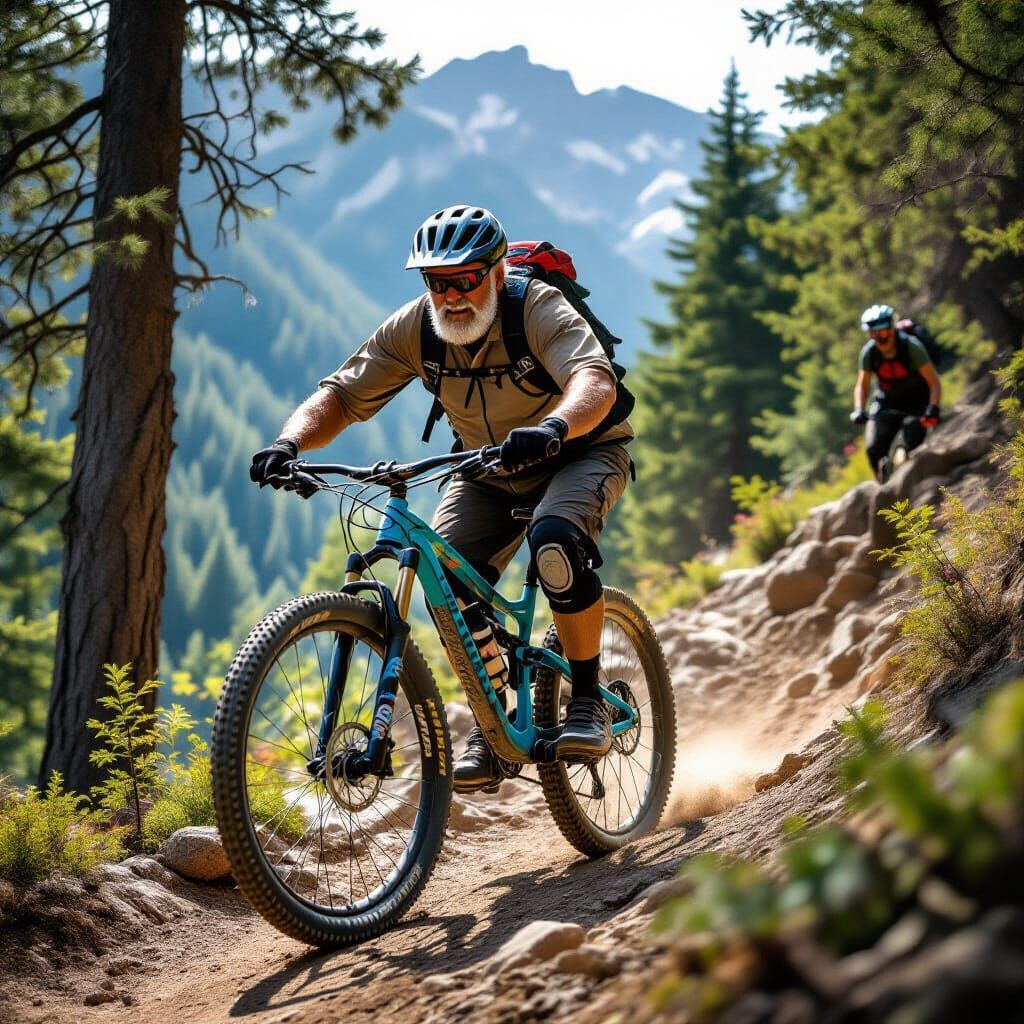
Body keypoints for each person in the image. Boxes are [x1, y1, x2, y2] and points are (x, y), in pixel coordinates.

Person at [249, 205, 633, 792]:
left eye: (465, 279)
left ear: (498, 272)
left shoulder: (536, 308)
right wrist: (289, 440)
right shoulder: (417, 328)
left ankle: (586, 701)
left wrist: (554, 426)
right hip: (486, 466)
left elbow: (594, 380)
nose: (450, 296)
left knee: (554, 546)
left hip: (580, 451)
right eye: (435, 282)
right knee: (445, 584)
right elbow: (342, 394)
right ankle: (495, 724)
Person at [850, 304, 942, 482]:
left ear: (891, 328)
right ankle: (884, 489)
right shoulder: (869, 353)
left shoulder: (912, 347)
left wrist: (933, 407)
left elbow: (934, 383)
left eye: (882, 332)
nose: (878, 338)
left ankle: (909, 488)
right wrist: (859, 409)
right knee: (873, 450)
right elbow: (862, 385)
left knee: (909, 445)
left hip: (918, 404)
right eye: (873, 334)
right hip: (887, 403)